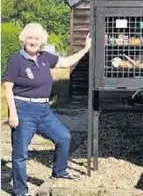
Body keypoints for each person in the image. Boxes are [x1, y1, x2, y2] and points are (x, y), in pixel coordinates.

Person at [3, 23, 92, 196]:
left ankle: (60, 171)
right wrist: (12, 113)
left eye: (36, 38)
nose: (33, 41)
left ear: (41, 41)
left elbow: (66, 62)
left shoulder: (45, 57)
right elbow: (7, 87)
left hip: (44, 109)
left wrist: (85, 49)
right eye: (30, 38)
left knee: (64, 137)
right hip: (23, 109)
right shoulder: (16, 60)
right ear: (23, 40)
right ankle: (21, 191)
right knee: (20, 153)